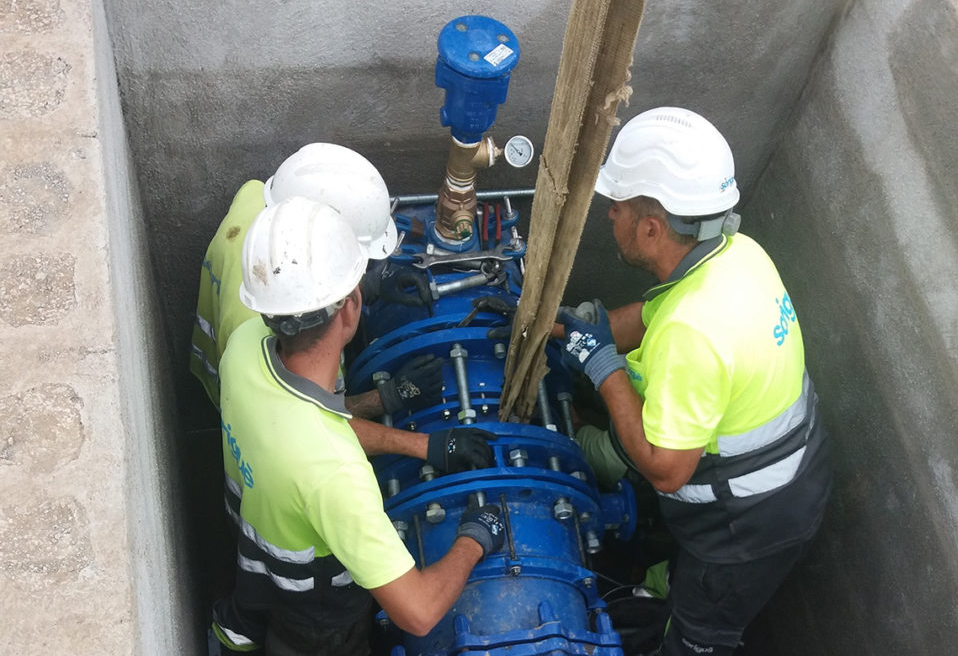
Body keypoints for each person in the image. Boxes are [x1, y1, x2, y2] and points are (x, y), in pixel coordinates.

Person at [555, 107, 832, 656]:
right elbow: (659, 313)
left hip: (747, 526)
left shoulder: (694, 336)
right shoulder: (735, 255)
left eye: (619, 207)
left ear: (652, 227)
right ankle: (664, 592)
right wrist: (567, 329)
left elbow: (663, 469)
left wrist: (603, 367)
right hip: (793, 467)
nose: (610, 214)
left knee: (702, 633)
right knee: (688, 574)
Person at [212, 196, 505, 654]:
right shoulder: (335, 477)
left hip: (252, 552)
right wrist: (475, 536)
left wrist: (423, 447)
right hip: (317, 610)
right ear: (350, 309)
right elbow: (420, 612)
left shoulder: (244, 347)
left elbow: (311, 426)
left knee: (248, 614)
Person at [188, 143, 489, 474]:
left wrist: (371, 287)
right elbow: (309, 424)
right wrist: (392, 403)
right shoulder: (268, 328)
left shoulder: (257, 200)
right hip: (249, 415)